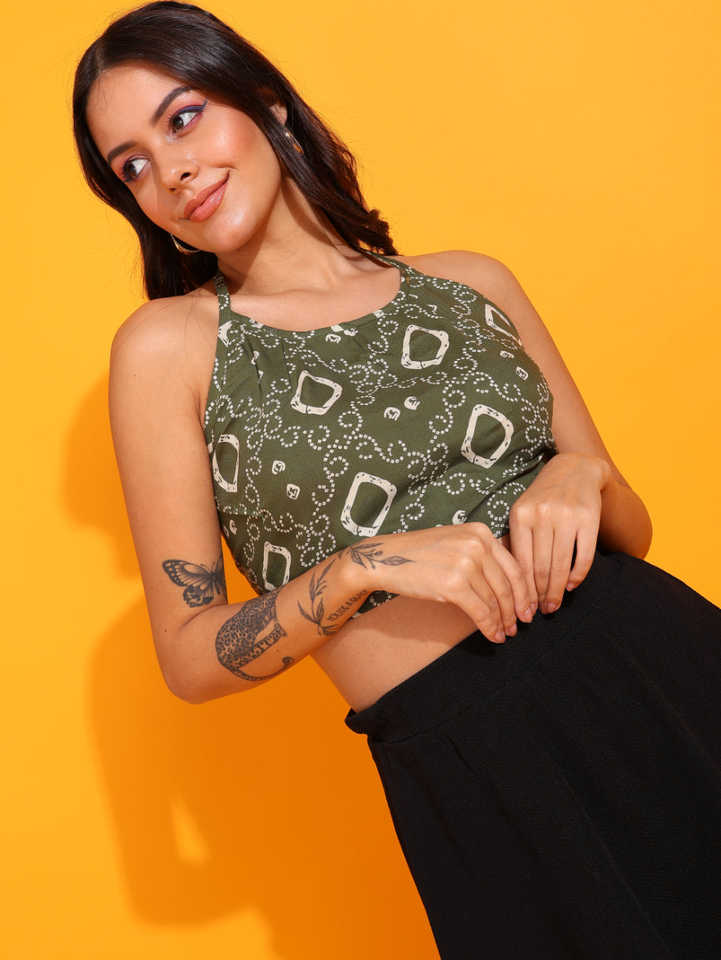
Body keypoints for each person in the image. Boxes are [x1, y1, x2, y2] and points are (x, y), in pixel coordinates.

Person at [74, 2, 721, 956]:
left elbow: (631, 527)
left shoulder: (472, 283)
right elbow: (188, 656)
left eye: (183, 118)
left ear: (267, 103)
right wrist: (362, 566)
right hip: (477, 760)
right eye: (131, 165)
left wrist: (582, 476)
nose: (168, 170)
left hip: (663, 667)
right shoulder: (169, 348)